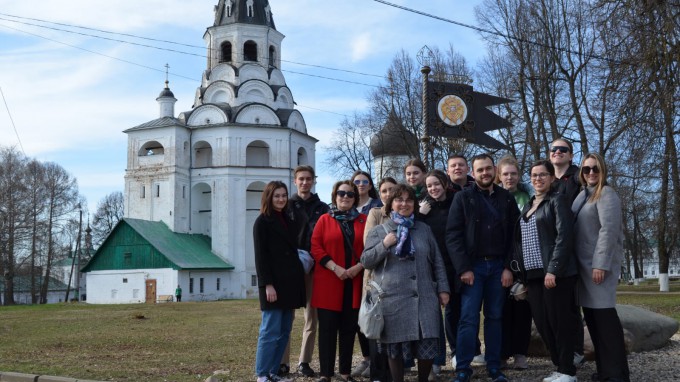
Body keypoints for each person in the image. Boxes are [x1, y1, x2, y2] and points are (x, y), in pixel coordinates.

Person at [362, 183, 450, 382]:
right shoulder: (379, 231)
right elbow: (366, 260)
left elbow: (437, 261)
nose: (404, 203)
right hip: (393, 299)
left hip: (425, 296)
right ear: (391, 204)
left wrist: (443, 289)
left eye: (409, 199)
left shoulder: (424, 229)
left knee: (427, 344)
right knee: (396, 347)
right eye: (399, 199)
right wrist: (384, 245)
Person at [445, 154, 520, 382]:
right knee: (468, 318)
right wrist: (463, 268)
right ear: (473, 173)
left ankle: (494, 366)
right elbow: (453, 236)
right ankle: (463, 368)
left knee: (495, 317)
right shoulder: (463, 198)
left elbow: (516, 237)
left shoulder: (507, 199)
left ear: (494, 170)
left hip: (499, 266)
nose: (485, 173)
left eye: (488, 169)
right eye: (480, 170)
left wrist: (509, 267)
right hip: (473, 268)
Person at [514, 160, 579, 382]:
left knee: (559, 322)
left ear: (552, 178)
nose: (538, 179)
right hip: (532, 275)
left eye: (543, 175)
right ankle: (560, 365)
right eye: (534, 175)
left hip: (554, 274)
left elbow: (564, 238)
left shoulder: (557, 200)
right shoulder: (528, 205)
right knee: (543, 323)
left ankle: (568, 370)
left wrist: (553, 270)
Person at [572, 153, 630, 382]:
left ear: (603, 170)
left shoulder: (607, 194)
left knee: (606, 322)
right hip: (583, 268)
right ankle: (606, 371)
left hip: (597, 268)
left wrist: (601, 264)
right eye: (586, 169)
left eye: (595, 168)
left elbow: (609, 231)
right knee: (594, 322)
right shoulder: (582, 196)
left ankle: (617, 374)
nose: (591, 173)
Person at [311, 180, 366, 382]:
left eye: (350, 194)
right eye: (341, 193)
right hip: (329, 282)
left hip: (354, 282)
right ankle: (326, 373)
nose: (345, 197)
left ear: (355, 198)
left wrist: (357, 267)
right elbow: (316, 247)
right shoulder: (325, 219)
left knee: (348, 329)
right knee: (326, 330)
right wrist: (335, 267)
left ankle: (345, 372)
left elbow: (370, 248)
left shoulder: (363, 220)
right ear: (335, 195)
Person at [253, 181, 307, 382]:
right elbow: (261, 257)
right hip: (273, 285)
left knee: (284, 331)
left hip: (290, 283)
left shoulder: (287, 219)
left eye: (284, 195)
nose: (281, 199)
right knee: (269, 331)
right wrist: (267, 284)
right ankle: (262, 374)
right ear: (268, 197)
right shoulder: (262, 222)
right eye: (277, 196)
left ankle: (273, 372)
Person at [281, 165, 330, 378]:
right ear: (295, 181)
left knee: (311, 316)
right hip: (291, 266)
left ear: (313, 181)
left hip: (315, 265)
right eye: (301, 179)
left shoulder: (323, 208)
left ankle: (304, 361)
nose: (304, 182)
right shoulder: (286, 205)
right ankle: (283, 362)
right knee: (286, 316)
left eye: (308, 179)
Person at [548, 138, 585, 367]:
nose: (558, 152)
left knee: (572, 305)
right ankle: (562, 353)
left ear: (571, 155)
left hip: (573, 244)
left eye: (563, 149)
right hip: (551, 247)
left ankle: (576, 351)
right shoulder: (546, 178)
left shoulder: (578, 178)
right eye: (554, 149)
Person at [356, 176, 397, 381]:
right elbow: (368, 243)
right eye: (384, 191)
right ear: (379, 194)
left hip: (399, 281)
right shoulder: (374, 213)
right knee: (376, 326)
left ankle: (395, 371)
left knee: (395, 328)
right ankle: (378, 373)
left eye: (392, 190)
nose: (388, 194)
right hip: (375, 279)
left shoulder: (407, 212)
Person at [496, 156, 532, 370]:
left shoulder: (528, 195)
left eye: (513, 173)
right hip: (502, 261)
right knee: (500, 310)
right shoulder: (495, 197)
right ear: (499, 176)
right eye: (505, 174)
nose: (509, 177)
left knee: (522, 309)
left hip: (526, 260)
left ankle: (520, 353)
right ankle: (502, 353)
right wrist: (506, 266)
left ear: (518, 175)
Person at [418, 170, 454, 378]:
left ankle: (454, 354)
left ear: (444, 183)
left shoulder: (455, 202)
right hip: (430, 265)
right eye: (429, 185)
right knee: (432, 317)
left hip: (451, 264)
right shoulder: (423, 206)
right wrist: (420, 213)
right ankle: (435, 361)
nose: (433, 188)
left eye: (436, 184)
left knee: (452, 311)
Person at [350, 171, 382, 377]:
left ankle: (377, 361)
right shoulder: (347, 204)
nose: (360, 184)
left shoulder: (377, 207)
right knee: (357, 317)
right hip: (347, 270)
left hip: (369, 267)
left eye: (364, 181)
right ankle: (367, 358)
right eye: (356, 182)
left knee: (372, 313)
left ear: (370, 185)